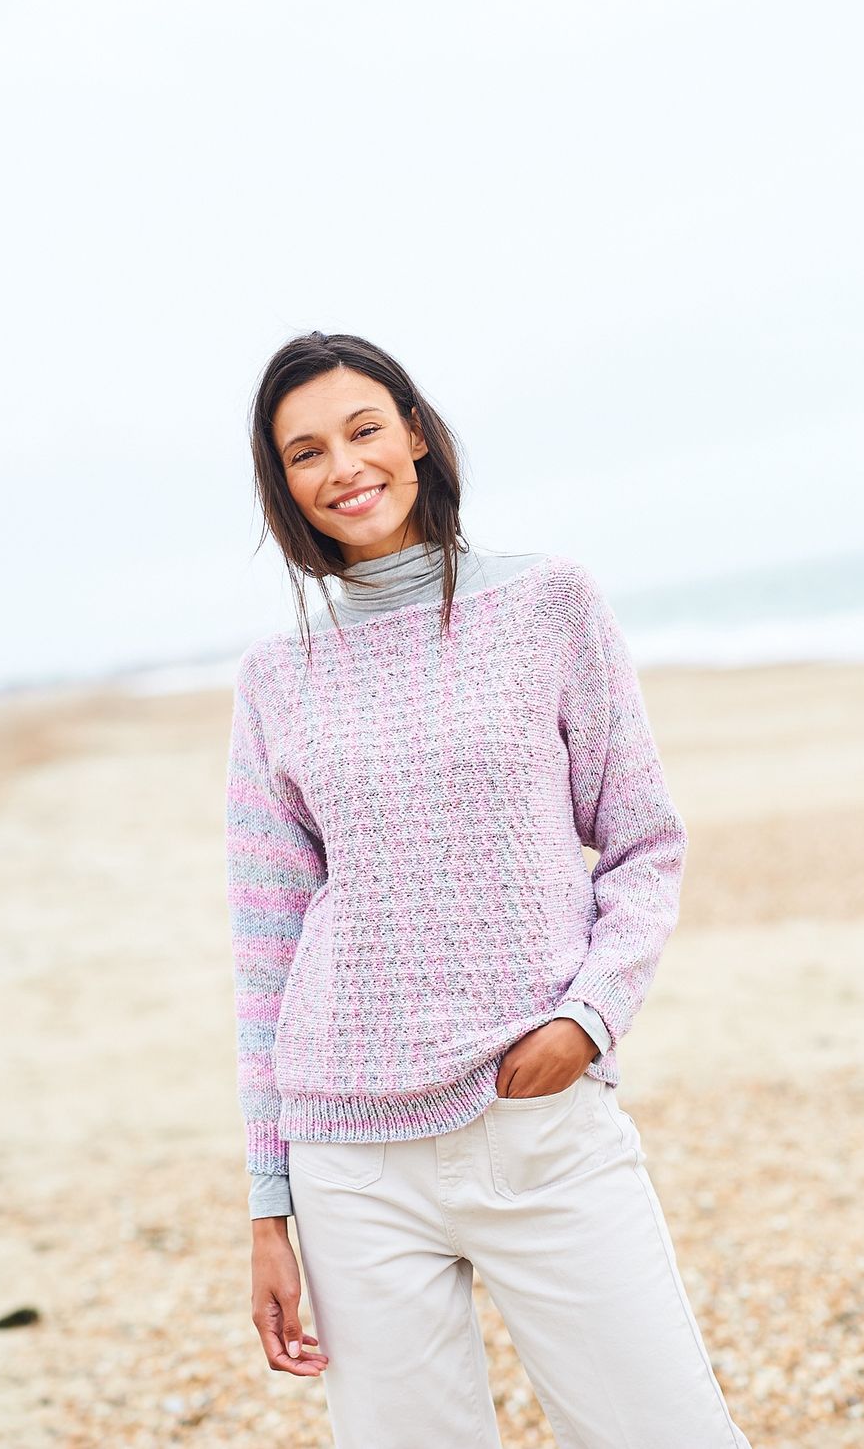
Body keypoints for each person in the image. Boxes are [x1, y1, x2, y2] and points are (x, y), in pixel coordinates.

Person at [224, 330, 754, 1448]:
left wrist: (588, 1016)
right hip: (348, 1155)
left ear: (414, 435)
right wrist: (270, 1203)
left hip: (537, 1115)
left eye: (363, 429)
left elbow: (643, 840)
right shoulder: (275, 676)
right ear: (285, 484)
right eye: (305, 451)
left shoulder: (548, 604)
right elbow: (266, 938)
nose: (344, 467)